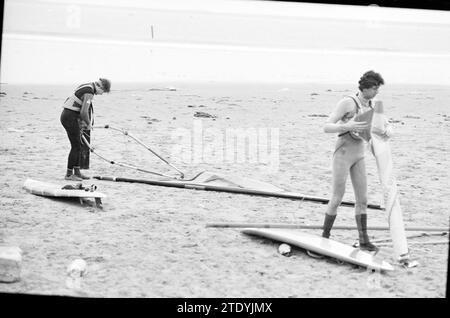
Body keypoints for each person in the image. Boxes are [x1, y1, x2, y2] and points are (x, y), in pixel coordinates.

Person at [322, 70, 384, 252]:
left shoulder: (373, 105)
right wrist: (346, 126)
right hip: (342, 154)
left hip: (359, 156)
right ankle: (325, 237)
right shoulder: (348, 102)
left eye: (378, 88)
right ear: (364, 87)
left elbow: (372, 133)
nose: (377, 91)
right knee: (337, 197)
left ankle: (364, 240)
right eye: (374, 88)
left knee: (363, 199)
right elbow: (326, 126)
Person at [60, 78, 111, 181]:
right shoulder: (89, 92)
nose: (101, 94)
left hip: (68, 115)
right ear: (101, 87)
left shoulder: (87, 85)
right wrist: (88, 124)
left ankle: (77, 173)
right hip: (69, 117)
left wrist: (82, 122)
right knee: (76, 146)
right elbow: (84, 112)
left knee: (79, 145)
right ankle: (69, 174)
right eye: (103, 92)